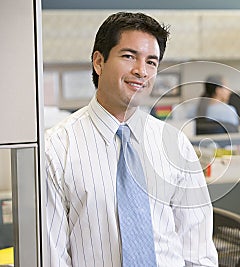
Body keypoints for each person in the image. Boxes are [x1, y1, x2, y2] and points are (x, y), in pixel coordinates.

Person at [45, 12, 218, 267]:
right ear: (99, 62)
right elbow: (52, 257)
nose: (141, 71)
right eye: (129, 56)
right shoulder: (57, 148)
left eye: (151, 62)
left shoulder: (175, 145)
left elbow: (197, 248)